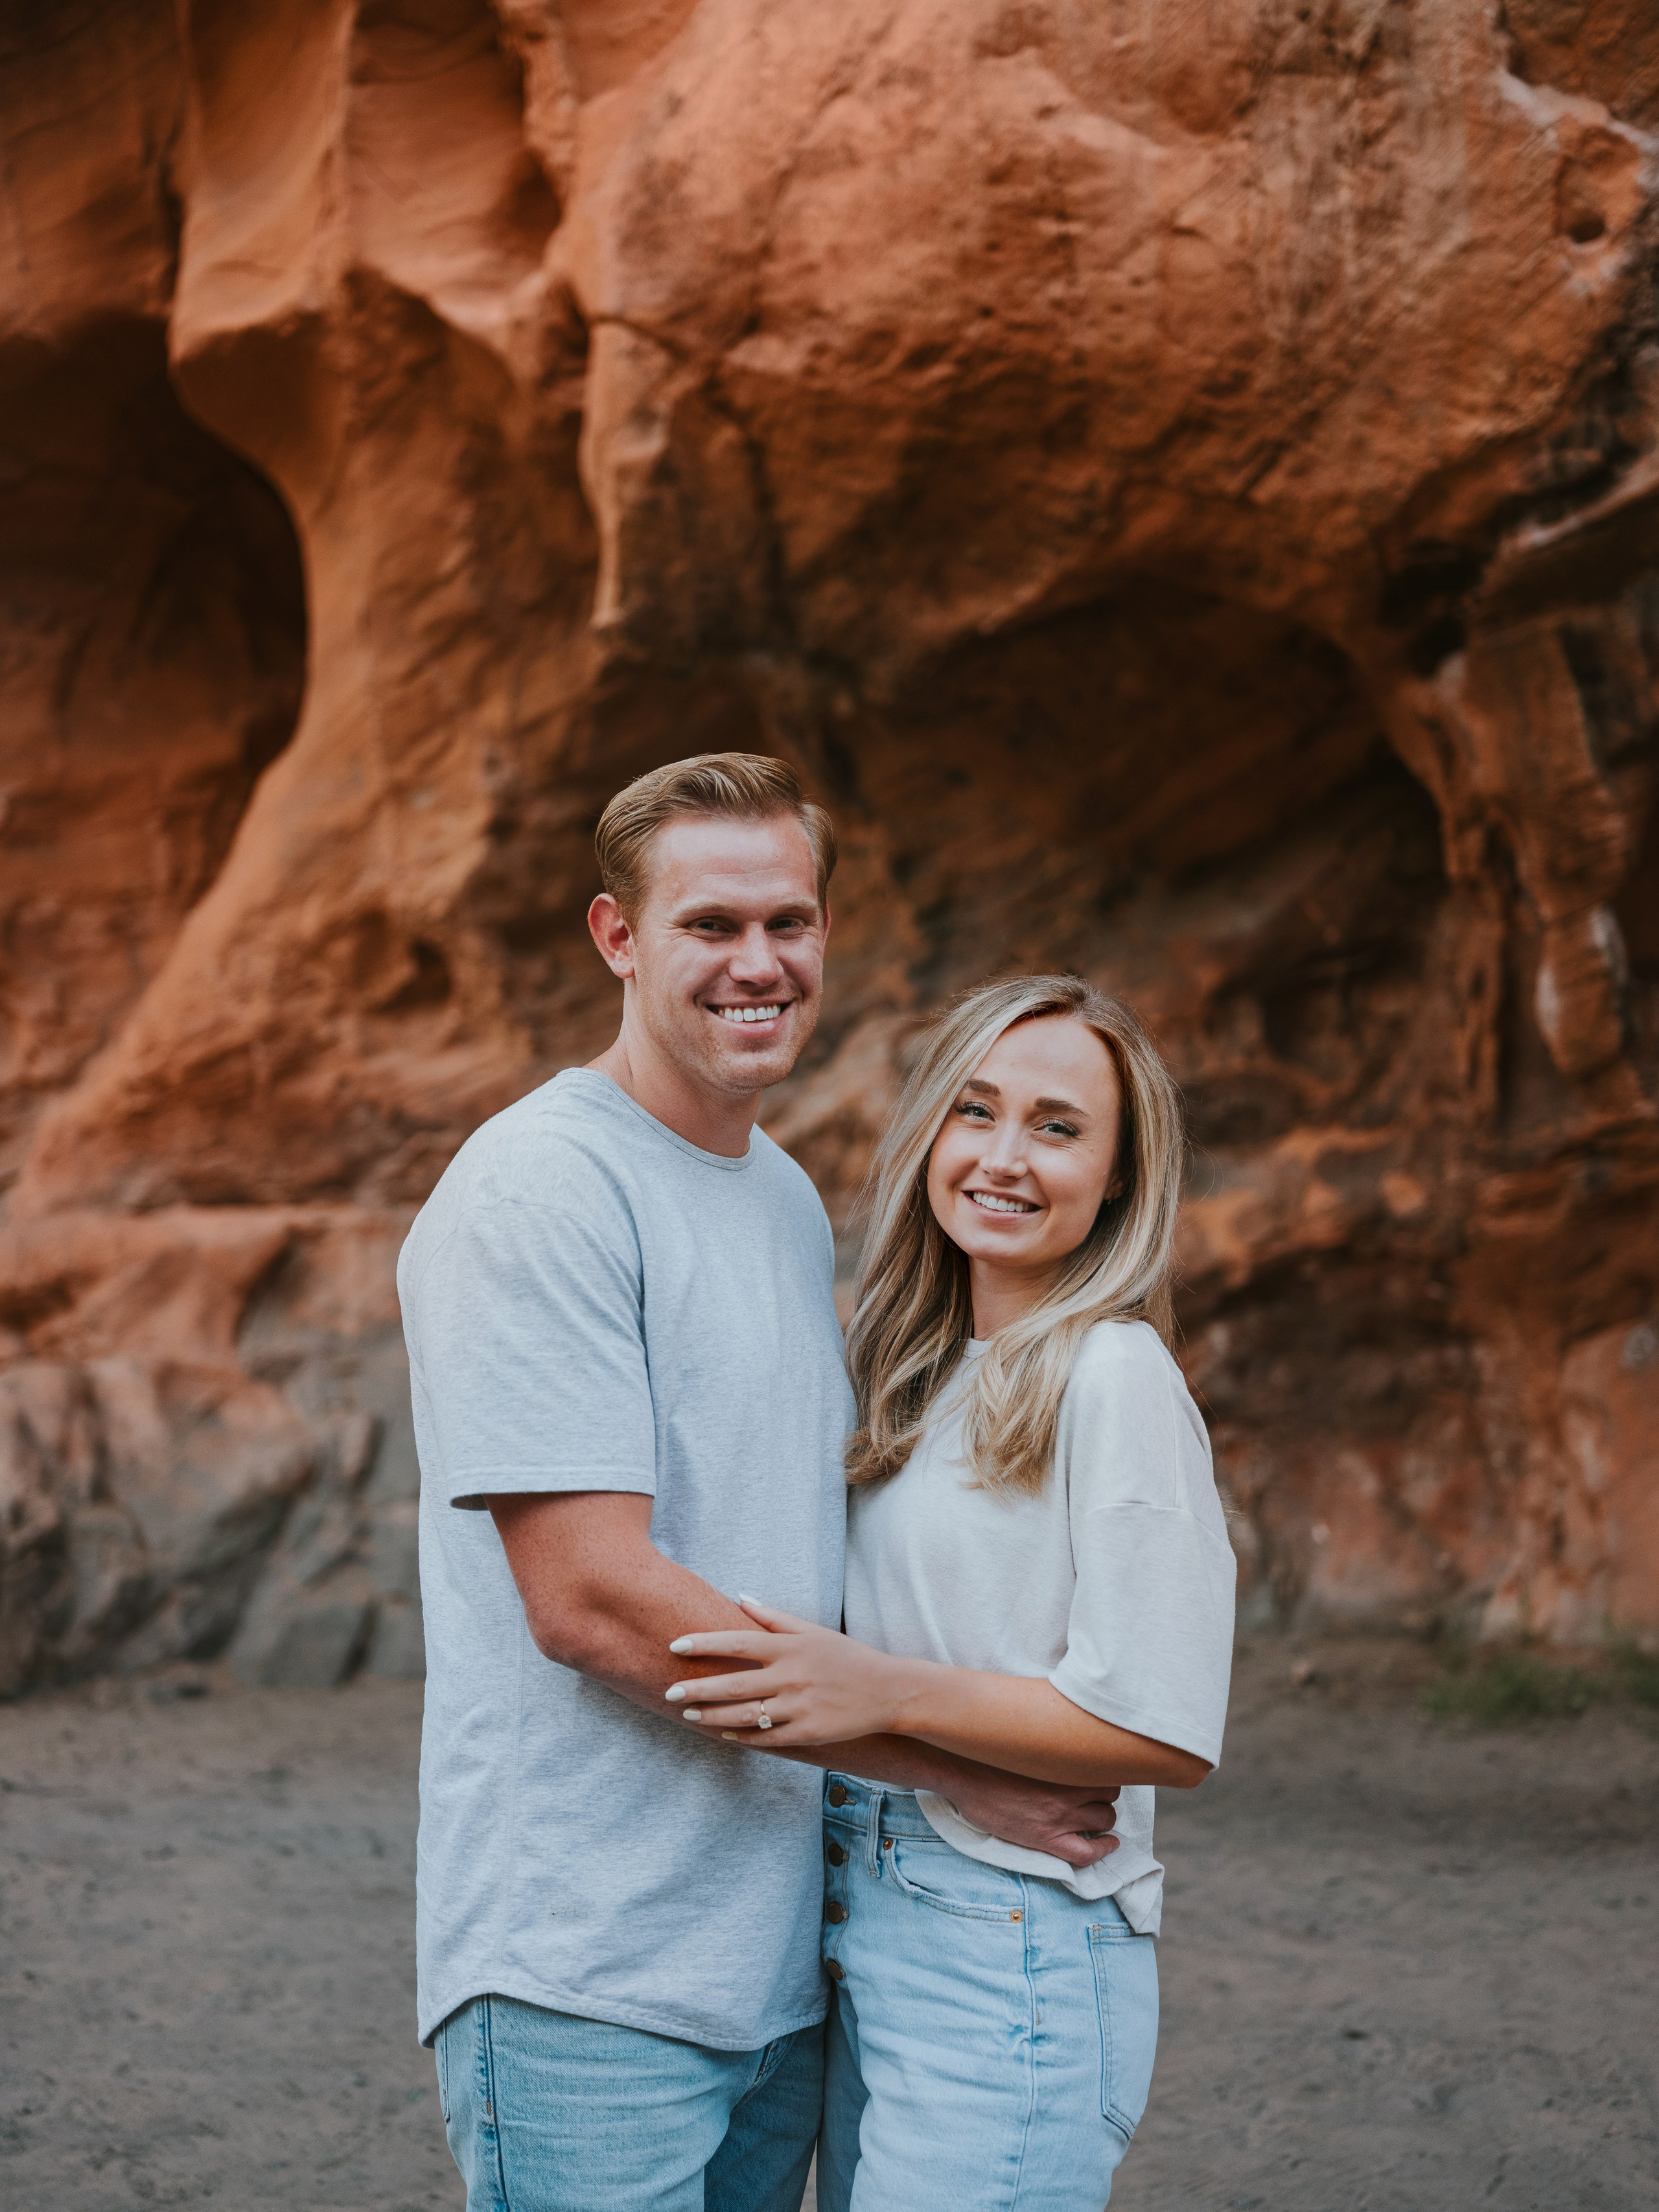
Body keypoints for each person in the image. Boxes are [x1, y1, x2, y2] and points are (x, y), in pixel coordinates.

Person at [397, 762, 1129, 2212]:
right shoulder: (541, 1186)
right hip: (585, 1974)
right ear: (617, 936)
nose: (758, 964)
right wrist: (962, 1770)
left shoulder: (782, 1195)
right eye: (709, 923)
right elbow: (589, 1597)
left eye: (787, 921)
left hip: (775, 1967)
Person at [666, 973, 1236, 2209]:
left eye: (1058, 1126)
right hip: (860, 1915)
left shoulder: (1116, 1376)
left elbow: (1163, 1728)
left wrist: (879, 1692)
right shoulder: (913, 1371)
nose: (1005, 1157)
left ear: (1123, 1177)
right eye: (976, 1111)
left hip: (1013, 1938)